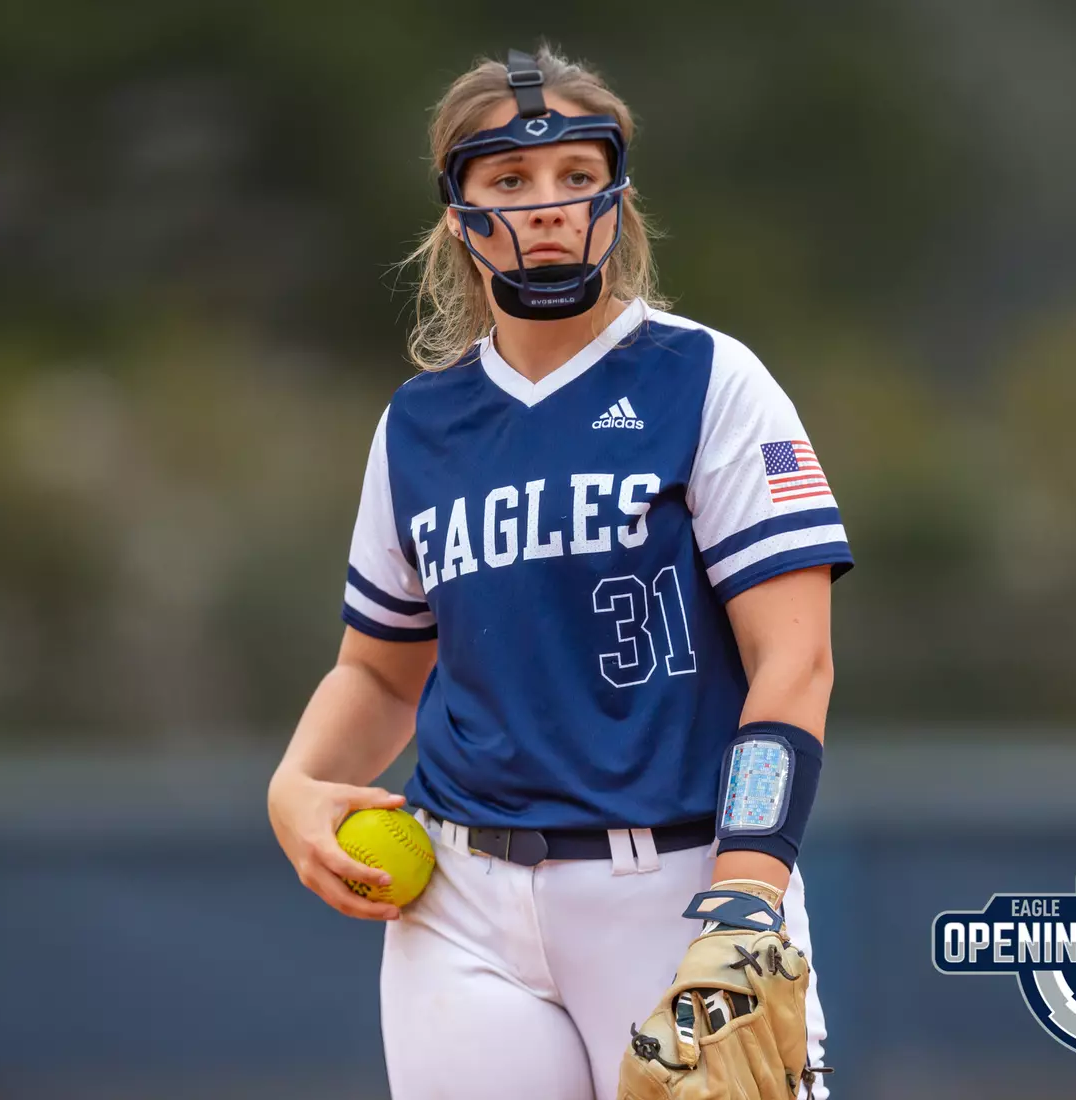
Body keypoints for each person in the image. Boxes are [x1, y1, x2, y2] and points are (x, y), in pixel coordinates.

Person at [267, 46, 852, 1100]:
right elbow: (382, 671)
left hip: (681, 882)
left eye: (576, 176)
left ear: (615, 197)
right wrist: (295, 784)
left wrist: (750, 893)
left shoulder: (708, 379)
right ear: (459, 210)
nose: (546, 205)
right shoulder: (418, 425)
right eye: (509, 180)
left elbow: (794, 661)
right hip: (461, 902)